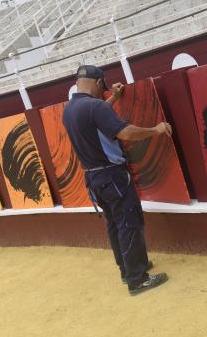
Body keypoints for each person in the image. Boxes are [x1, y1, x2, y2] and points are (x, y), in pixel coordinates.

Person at [62, 65, 170, 296]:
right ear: (99, 83)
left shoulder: (71, 109)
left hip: (93, 177)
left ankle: (127, 270)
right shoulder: (95, 106)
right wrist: (157, 129)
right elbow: (127, 133)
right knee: (129, 223)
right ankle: (138, 279)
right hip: (112, 175)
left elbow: (96, 118)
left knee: (114, 224)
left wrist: (112, 98)